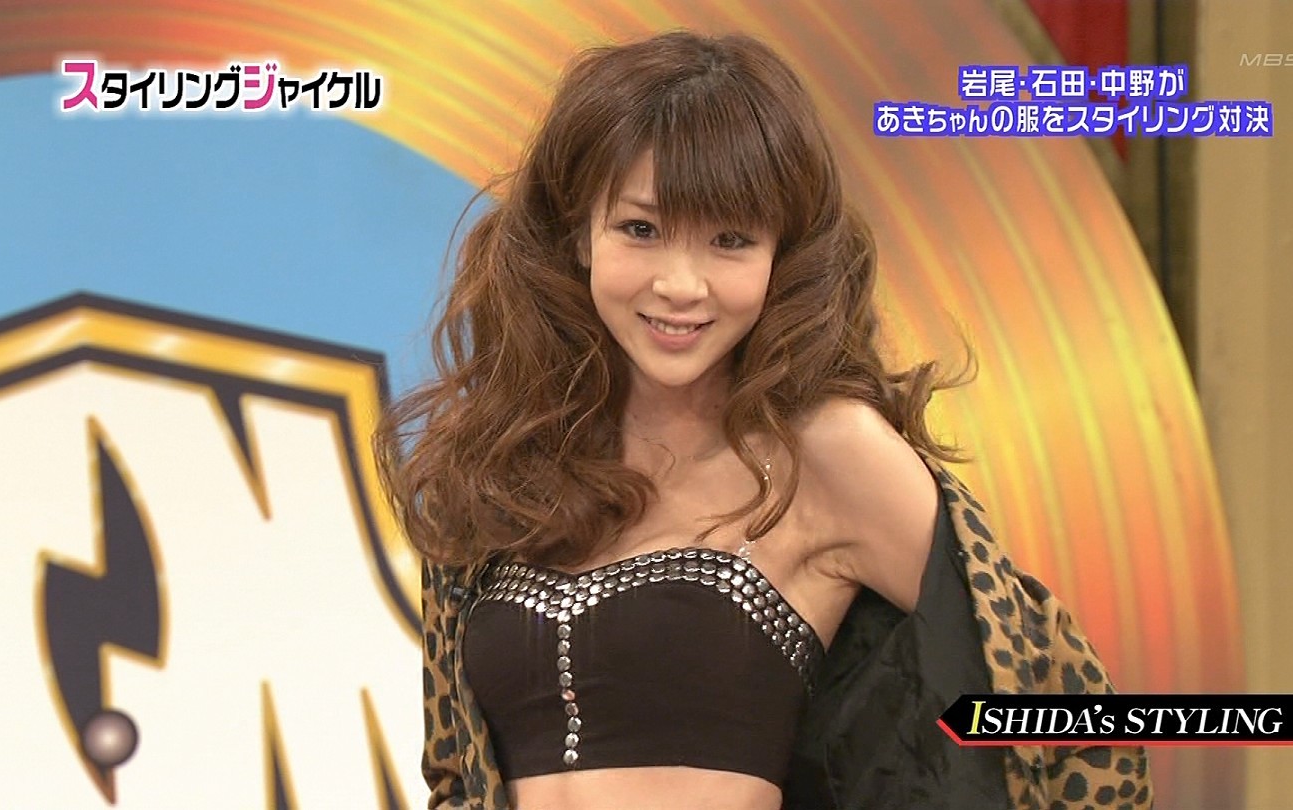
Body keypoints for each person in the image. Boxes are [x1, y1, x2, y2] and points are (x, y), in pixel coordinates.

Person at [377, 30, 1153, 810]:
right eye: (641, 229)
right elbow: (454, 774)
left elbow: (1075, 717)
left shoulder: (828, 451)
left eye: (730, 241)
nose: (682, 285)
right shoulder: (498, 467)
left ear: (783, 255)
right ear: (579, 232)